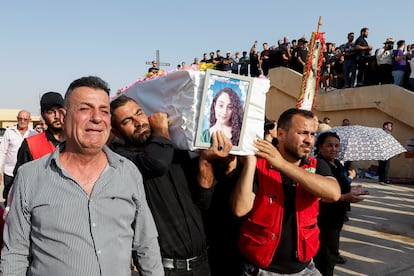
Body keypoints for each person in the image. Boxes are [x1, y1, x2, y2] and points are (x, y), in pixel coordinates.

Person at [0, 76, 163, 275]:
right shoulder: (30, 177)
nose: (97, 118)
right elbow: (14, 254)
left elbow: (146, 245)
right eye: (85, 109)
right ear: (63, 115)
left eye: (104, 110)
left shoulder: (127, 172)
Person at [110, 95, 234, 275]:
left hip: (203, 264)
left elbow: (204, 199)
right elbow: (157, 163)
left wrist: (206, 161)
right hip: (165, 269)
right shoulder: (123, 159)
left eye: (139, 113)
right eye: (128, 121)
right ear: (117, 132)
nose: (139, 122)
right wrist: (161, 129)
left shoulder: (175, 149)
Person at [231, 108, 341, 275]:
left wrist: (281, 164)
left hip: (305, 269)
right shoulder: (259, 165)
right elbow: (240, 208)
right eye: (303, 133)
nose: (309, 140)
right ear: (281, 134)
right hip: (260, 269)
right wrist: (250, 163)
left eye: (312, 134)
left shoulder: (316, 165)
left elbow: (333, 193)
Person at [313, 132, 368, 276]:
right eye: (329, 145)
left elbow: (341, 185)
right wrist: (345, 197)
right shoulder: (320, 164)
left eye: (337, 146)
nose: (334, 149)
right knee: (325, 255)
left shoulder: (336, 163)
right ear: (319, 147)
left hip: (337, 216)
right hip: (325, 217)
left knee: (330, 251)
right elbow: (322, 194)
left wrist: (353, 189)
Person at [3, 92, 65, 215]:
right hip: (41, 211)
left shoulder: (76, 141)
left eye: (59, 110)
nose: (57, 116)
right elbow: (19, 180)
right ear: (43, 115)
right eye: (51, 112)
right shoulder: (31, 144)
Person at [0, 110, 37, 204]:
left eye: (25, 119)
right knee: (8, 198)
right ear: (17, 119)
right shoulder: (9, 132)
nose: (22, 121)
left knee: (25, 198)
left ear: (29, 120)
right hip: (9, 172)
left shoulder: (34, 134)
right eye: (20, 119)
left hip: (27, 173)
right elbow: (2, 152)